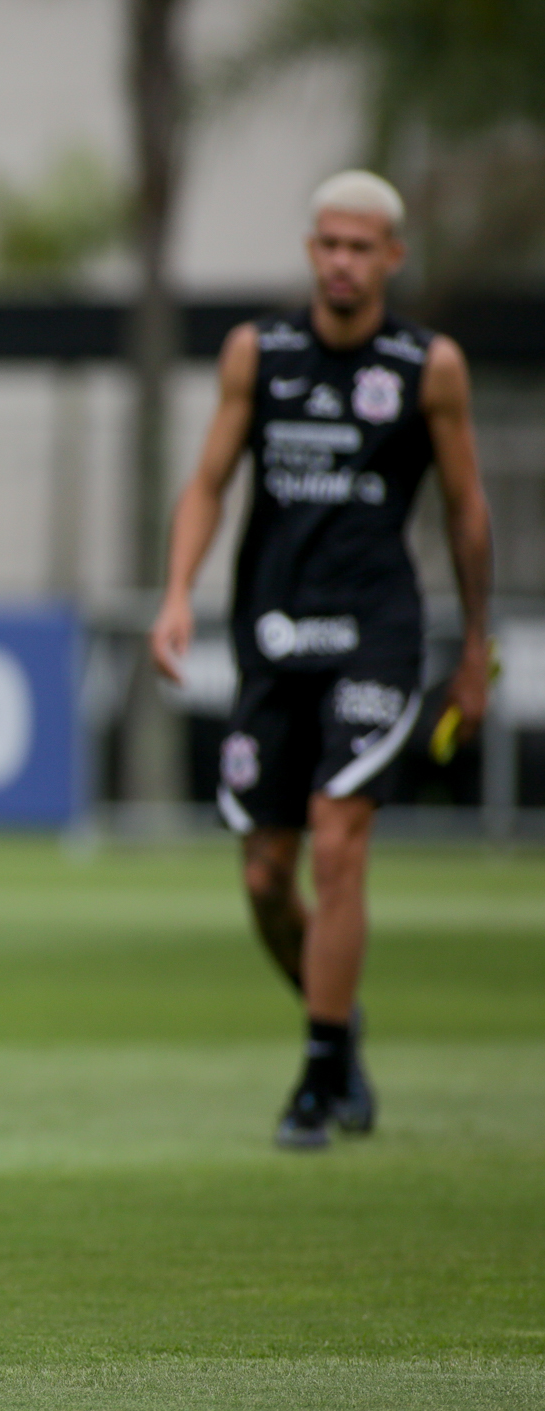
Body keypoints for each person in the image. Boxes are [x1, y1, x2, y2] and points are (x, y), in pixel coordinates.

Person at [150, 170, 492, 1149]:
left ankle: (313, 1072)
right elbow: (208, 481)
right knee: (263, 877)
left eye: (361, 246)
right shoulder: (257, 353)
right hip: (271, 634)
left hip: (376, 634)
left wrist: (474, 645)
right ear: (310, 251)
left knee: (339, 838)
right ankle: (338, 1029)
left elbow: (465, 512)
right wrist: (176, 591)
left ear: (390, 257)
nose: (341, 261)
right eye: (327, 244)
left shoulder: (427, 366)